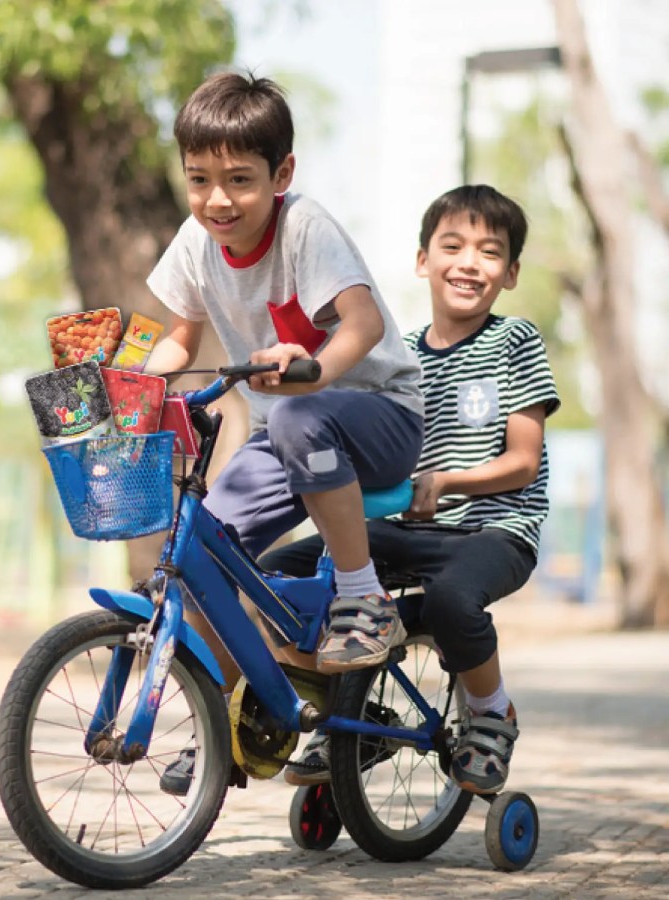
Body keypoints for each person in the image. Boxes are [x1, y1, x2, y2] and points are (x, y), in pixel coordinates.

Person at [142, 71, 425, 794]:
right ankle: (226, 725)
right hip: (291, 433)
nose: (217, 199)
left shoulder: (305, 227)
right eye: (199, 179)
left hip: (382, 415)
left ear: (282, 174)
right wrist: (136, 390)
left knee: (299, 415)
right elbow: (178, 339)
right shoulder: (195, 243)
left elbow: (362, 324)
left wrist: (313, 371)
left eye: (239, 180)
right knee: (200, 553)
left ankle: (364, 601)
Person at [264, 184, 560, 796]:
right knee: (278, 575)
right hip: (405, 526)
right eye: (452, 246)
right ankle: (354, 716)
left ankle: (491, 713)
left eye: (489, 251)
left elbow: (523, 462)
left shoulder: (515, 341)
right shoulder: (400, 359)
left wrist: (446, 481)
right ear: (423, 260)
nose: (469, 263)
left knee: (452, 600)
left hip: (491, 530)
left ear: (510, 273)